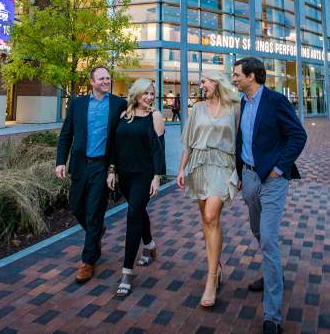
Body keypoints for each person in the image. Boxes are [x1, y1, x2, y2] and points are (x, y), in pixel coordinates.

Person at [232, 57, 307, 334]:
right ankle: (271, 272)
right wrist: (240, 174)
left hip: (273, 181)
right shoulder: (243, 102)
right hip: (249, 178)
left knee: (269, 240)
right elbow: (243, 139)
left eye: (237, 75)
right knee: (257, 232)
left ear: (252, 76)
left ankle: (272, 316)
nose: (234, 79)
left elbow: (298, 135)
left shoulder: (275, 101)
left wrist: (279, 168)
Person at [55, 66, 127, 283]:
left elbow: (123, 134)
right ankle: (96, 231)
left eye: (108, 78)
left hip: (102, 167)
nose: (106, 81)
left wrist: (114, 168)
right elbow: (66, 134)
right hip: (79, 164)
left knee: (94, 211)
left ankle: (88, 261)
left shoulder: (118, 104)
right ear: (92, 82)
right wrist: (60, 161)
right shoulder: (77, 104)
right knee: (76, 206)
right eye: (102, 78)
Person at [176, 71, 240, 307]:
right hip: (199, 165)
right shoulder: (198, 108)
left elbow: (241, 140)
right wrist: (182, 169)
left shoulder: (234, 107)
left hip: (223, 165)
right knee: (206, 219)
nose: (201, 85)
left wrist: (240, 171)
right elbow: (188, 142)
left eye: (204, 81)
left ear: (216, 82)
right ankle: (217, 266)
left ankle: (211, 280)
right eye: (201, 81)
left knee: (212, 215)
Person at [107, 79, 165, 297]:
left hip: (144, 175)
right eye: (146, 93)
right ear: (137, 94)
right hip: (124, 175)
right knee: (138, 211)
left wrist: (157, 177)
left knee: (133, 216)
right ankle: (149, 244)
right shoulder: (124, 115)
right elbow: (114, 145)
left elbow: (159, 150)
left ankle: (127, 272)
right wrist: (111, 171)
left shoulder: (155, 117)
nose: (150, 97)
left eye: (152, 93)